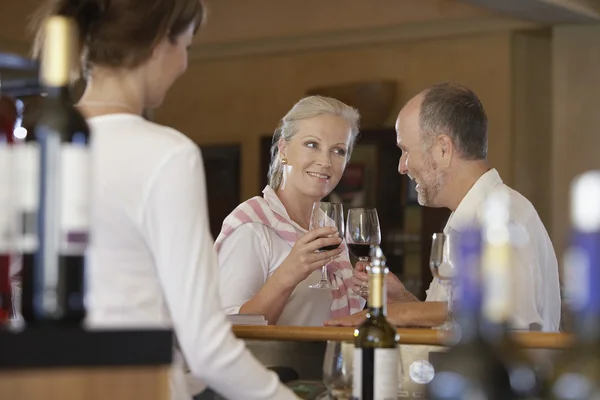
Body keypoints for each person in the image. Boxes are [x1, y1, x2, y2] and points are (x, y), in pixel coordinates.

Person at [31, 1, 297, 399]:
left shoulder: (33, 144)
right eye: (185, 46)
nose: (184, 64)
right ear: (158, 43)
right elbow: (207, 348)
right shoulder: (166, 154)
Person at [326, 82, 562, 332]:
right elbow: (457, 326)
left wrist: (398, 313)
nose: (401, 167)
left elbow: (510, 318)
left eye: (405, 151)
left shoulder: (502, 219)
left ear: (443, 148)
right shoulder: (466, 217)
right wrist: (401, 299)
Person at [215, 96, 365, 326]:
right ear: (283, 149)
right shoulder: (252, 225)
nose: (325, 161)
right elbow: (229, 329)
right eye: (312, 144)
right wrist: (289, 273)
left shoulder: (329, 228)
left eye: (338, 151)